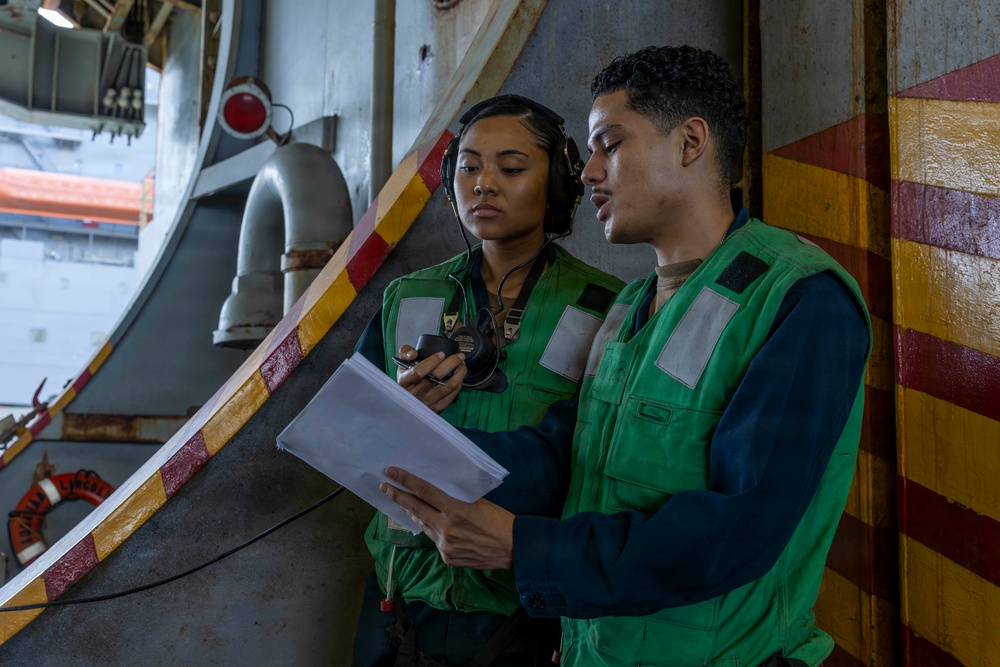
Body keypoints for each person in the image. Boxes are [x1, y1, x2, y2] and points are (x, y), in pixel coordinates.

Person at [379, 45, 872, 667]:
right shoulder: (631, 306)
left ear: (691, 142)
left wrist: (522, 548)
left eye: (609, 143)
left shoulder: (799, 298)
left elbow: (739, 528)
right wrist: (419, 453)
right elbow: (570, 453)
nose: (587, 173)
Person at [352, 94, 626, 667]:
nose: (483, 184)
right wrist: (398, 409)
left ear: (557, 187)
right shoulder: (408, 296)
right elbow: (349, 434)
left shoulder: (608, 309)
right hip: (404, 600)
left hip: (526, 612)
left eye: (511, 167)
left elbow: (600, 460)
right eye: (469, 167)